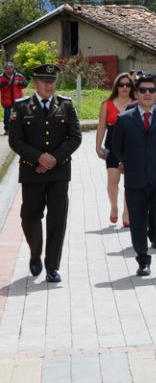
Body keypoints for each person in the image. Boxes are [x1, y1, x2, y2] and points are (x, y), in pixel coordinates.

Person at [8, 64, 82, 283]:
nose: (49, 85)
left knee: (57, 219)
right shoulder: (22, 107)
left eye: (52, 81)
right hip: (32, 172)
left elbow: (75, 137)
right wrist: (38, 157)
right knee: (29, 216)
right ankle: (35, 253)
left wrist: (53, 159)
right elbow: (15, 140)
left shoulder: (66, 105)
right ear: (35, 83)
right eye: (44, 81)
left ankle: (52, 266)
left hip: (59, 173)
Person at [112, 74, 156, 277]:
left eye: (152, 90)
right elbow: (116, 146)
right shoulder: (124, 119)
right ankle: (143, 261)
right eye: (143, 90)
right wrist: (130, 162)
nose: (147, 94)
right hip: (135, 179)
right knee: (138, 221)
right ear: (136, 94)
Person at [95, 72, 135, 227]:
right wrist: (98, 146)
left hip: (132, 146)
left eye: (128, 85)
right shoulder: (107, 103)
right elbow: (101, 126)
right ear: (116, 86)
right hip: (112, 145)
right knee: (113, 181)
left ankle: (127, 212)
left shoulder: (136, 102)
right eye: (121, 84)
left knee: (130, 182)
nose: (124, 87)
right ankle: (114, 207)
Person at [1, 62, 27, 135]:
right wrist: (7, 84)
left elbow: (25, 84)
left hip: (16, 100)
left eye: (10, 68)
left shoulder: (19, 76)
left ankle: (13, 129)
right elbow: (1, 86)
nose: (8, 70)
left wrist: (18, 83)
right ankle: (7, 129)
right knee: (6, 115)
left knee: (14, 116)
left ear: (13, 68)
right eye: (6, 69)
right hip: (6, 101)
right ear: (5, 69)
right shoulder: (1, 77)